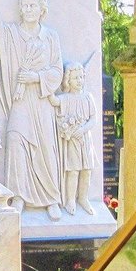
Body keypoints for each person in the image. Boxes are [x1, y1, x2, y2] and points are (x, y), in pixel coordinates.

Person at [0, 0, 64, 219]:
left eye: (32, 5)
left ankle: (51, 199)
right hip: (20, 101)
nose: (27, 10)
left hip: (42, 102)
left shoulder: (50, 37)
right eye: (24, 6)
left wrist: (36, 78)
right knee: (15, 140)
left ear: (42, 9)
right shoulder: (12, 34)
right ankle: (18, 195)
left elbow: (57, 71)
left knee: (45, 147)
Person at [49, 62, 98, 215]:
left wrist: (83, 129)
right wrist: (48, 82)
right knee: (73, 171)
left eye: (81, 77)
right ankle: (71, 200)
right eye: (76, 78)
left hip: (85, 140)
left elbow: (93, 119)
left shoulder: (88, 97)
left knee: (86, 170)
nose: (79, 81)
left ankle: (83, 198)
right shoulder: (66, 98)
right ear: (68, 80)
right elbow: (54, 101)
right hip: (72, 141)